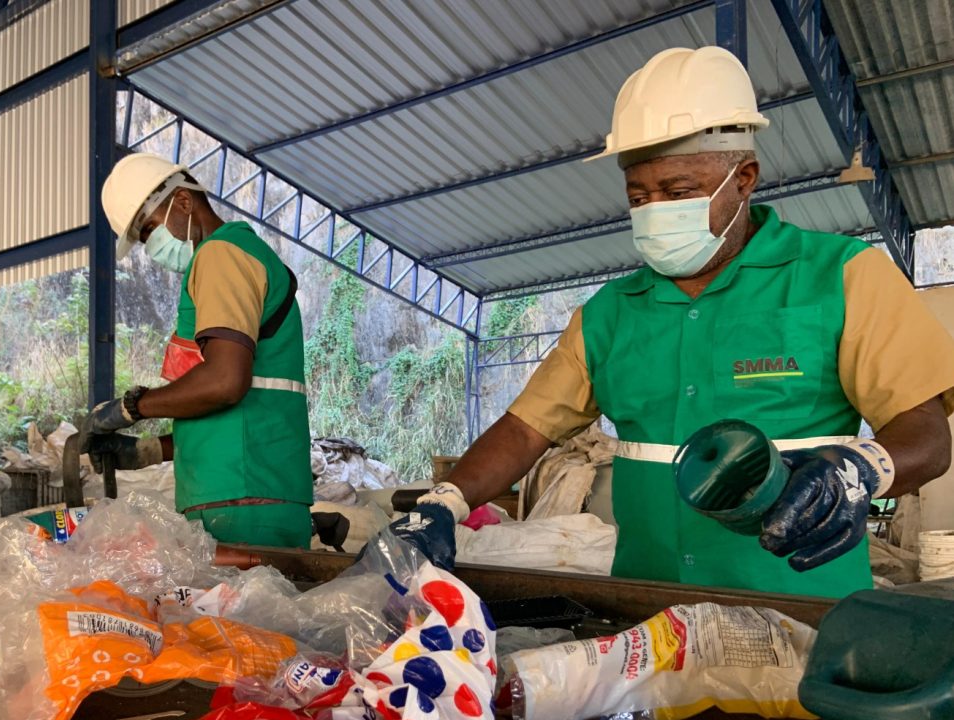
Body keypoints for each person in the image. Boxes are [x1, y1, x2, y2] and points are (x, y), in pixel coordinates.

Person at [385, 47, 954, 597]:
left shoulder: (842, 276)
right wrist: (446, 501)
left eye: (678, 192)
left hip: (799, 607)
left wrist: (858, 471)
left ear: (745, 177)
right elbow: (525, 429)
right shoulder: (611, 312)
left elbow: (925, 435)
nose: (657, 209)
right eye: (640, 196)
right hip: (651, 609)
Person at [81, 153, 313, 548]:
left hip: (242, 499)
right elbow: (229, 409)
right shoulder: (230, 257)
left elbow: (224, 383)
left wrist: (132, 407)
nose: (152, 246)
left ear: (184, 202)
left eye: (150, 229)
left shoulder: (221, 256)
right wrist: (150, 451)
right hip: (245, 491)